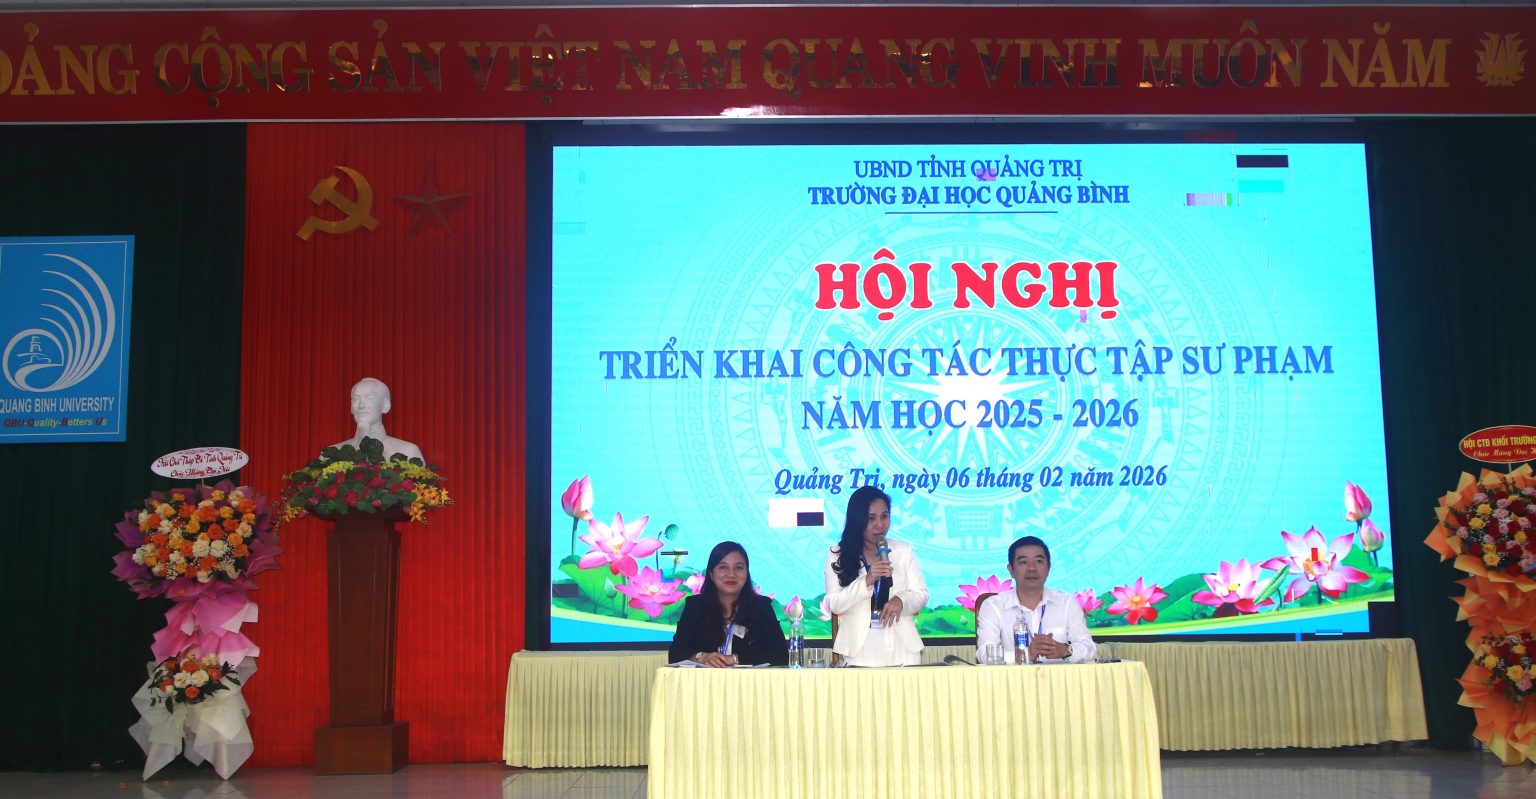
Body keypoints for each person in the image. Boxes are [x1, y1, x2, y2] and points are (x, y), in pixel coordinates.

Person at [824, 485, 928, 666]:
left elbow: (921, 594)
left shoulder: (903, 551)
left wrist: (901, 600)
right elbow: (835, 603)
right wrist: (867, 580)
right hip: (859, 649)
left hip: (902, 647)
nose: (879, 524)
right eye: (871, 518)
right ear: (857, 520)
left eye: (884, 516)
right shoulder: (837, 555)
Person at [975, 535, 1097, 664]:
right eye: (1023, 562)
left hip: (1058, 676)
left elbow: (1090, 648)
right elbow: (984, 654)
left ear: (1048, 567)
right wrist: (1026, 654)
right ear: (1011, 570)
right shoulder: (993, 606)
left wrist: (1066, 650)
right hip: (1013, 677)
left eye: (1038, 561)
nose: (1031, 568)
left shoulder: (1067, 603)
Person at [669, 541, 788, 667]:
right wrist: (702, 657)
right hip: (706, 679)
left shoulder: (761, 607)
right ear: (711, 574)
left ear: (747, 574)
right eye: (723, 567)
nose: (731, 574)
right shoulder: (695, 606)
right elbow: (675, 655)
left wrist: (735, 659)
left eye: (739, 568)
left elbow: (780, 655)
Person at [331, 377, 423, 461]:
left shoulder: (407, 451)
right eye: (356, 399)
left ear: (385, 405)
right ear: (351, 407)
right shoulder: (332, 454)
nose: (361, 405)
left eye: (369, 398)